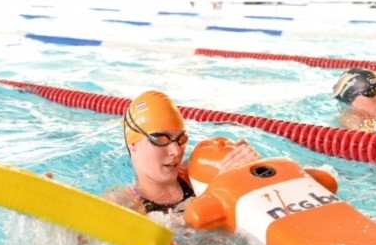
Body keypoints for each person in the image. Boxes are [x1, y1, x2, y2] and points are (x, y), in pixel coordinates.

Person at [100, 90, 261, 215]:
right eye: (161, 140)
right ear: (133, 144)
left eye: (181, 139)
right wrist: (218, 190)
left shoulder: (197, 172)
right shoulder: (122, 205)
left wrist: (249, 169)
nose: (176, 151)